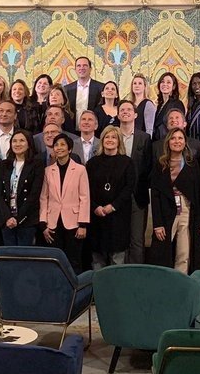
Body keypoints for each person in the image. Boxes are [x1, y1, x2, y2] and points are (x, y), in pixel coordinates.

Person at [150, 128, 200, 274]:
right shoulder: (160, 164)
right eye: (173, 138)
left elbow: (199, 192)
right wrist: (158, 224)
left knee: (184, 253)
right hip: (166, 211)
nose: (177, 141)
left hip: (186, 210)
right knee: (162, 252)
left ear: (185, 142)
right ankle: (163, 287)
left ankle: (180, 285)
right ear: (168, 142)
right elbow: (155, 195)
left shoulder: (191, 164)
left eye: (180, 138)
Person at [39, 134, 91, 273]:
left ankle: (77, 293)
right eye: (56, 145)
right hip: (53, 222)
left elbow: (84, 197)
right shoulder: (48, 171)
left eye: (62, 144)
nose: (59, 148)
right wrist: (43, 223)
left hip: (74, 222)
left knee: (73, 260)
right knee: (55, 262)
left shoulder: (80, 169)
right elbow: (44, 198)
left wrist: (83, 224)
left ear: (69, 149)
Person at [86, 126, 134, 269]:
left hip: (118, 217)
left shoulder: (127, 162)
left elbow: (129, 188)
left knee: (117, 260)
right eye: (107, 137)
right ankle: (98, 290)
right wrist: (95, 207)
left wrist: (112, 206)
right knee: (97, 260)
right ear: (102, 140)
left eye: (114, 137)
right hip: (97, 217)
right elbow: (86, 188)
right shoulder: (92, 163)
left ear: (119, 141)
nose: (110, 140)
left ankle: (115, 291)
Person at [117, 101, 153, 264]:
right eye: (122, 110)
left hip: (137, 196)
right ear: (118, 114)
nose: (125, 112)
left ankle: (137, 277)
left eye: (129, 109)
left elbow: (148, 166)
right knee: (119, 238)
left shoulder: (144, 138)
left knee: (137, 241)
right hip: (116, 197)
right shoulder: (112, 135)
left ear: (135, 114)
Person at [0, 130, 44, 246]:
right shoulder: (4, 165)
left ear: (29, 144)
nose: (17, 144)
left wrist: (18, 218)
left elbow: (34, 194)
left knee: (24, 256)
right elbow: (0, 194)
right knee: (9, 256)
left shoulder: (37, 164)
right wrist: (8, 217)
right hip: (6, 219)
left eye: (22, 141)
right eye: (14, 141)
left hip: (26, 219)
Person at [153, 72, 184, 141]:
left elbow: (178, 127)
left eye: (168, 82)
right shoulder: (160, 105)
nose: (165, 84)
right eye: (162, 82)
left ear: (174, 86)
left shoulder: (177, 104)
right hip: (157, 142)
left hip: (169, 141)